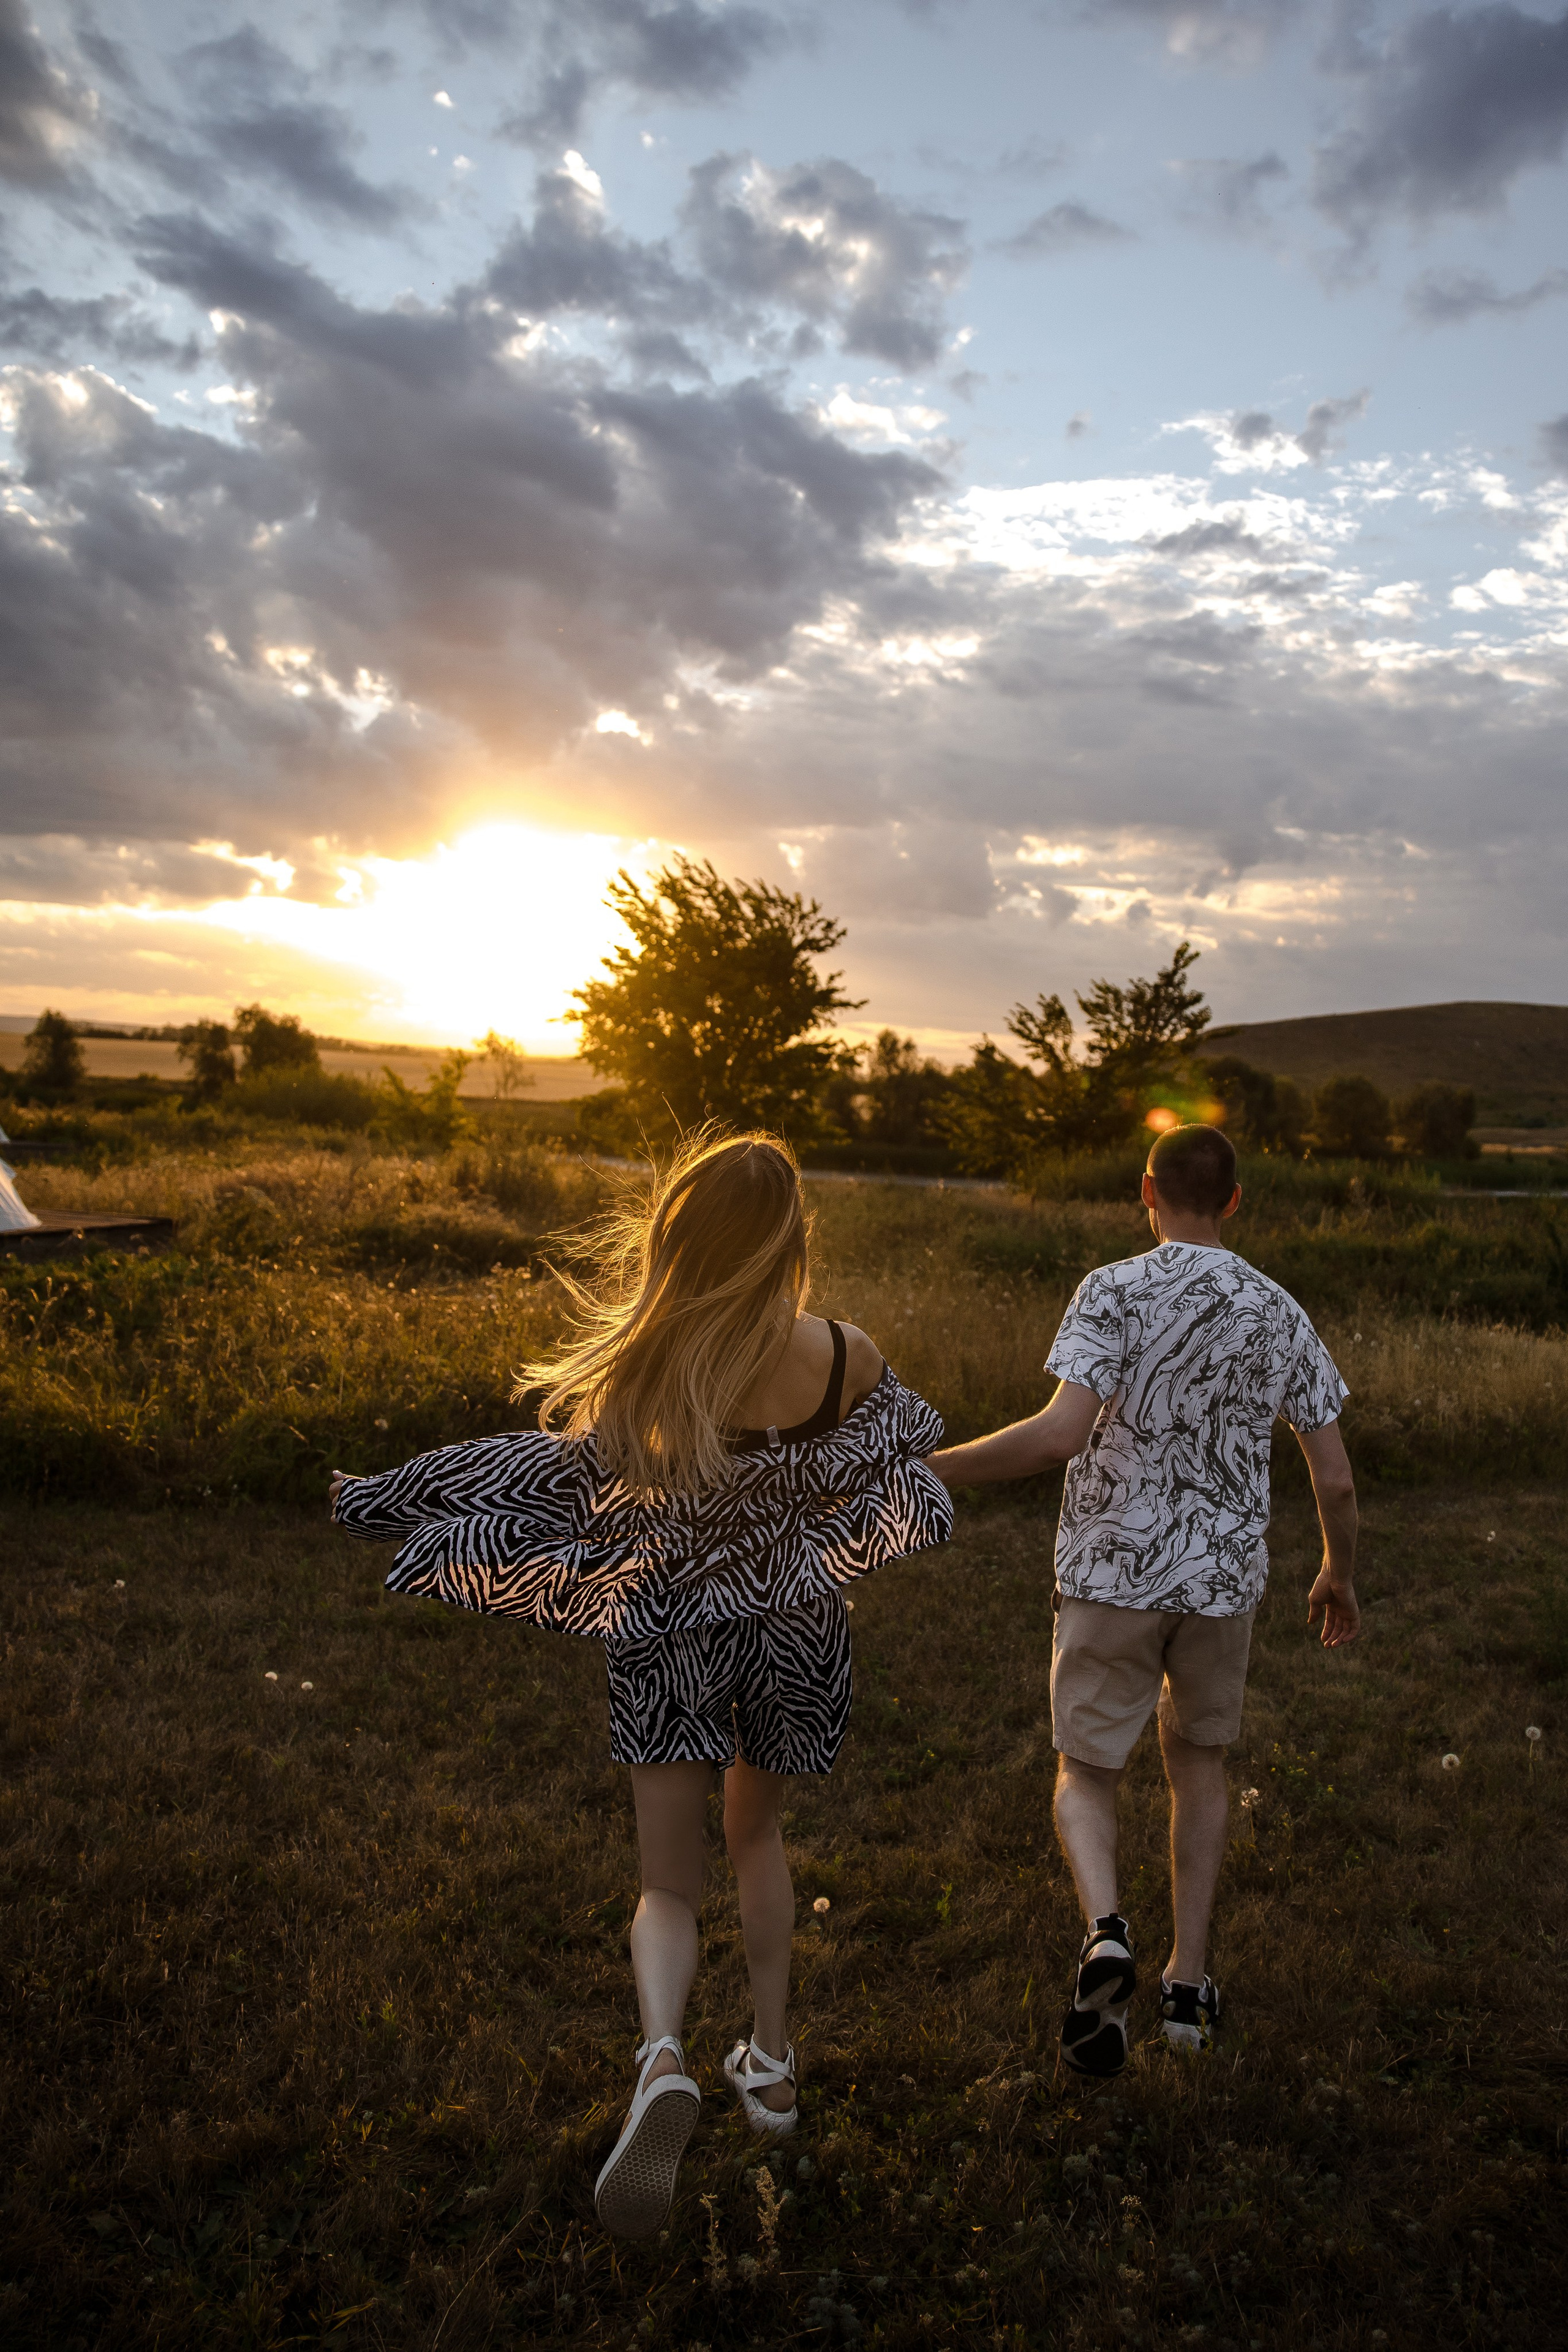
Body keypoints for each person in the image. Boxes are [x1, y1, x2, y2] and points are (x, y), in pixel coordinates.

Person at [330, 1131, 951, 2233]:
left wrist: (395, 1492)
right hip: (796, 1633)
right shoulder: (849, 1353)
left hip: (669, 1627)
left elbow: (552, 1478)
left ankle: (661, 2049)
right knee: (757, 1841)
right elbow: (908, 1459)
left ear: (679, 1236)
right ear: (794, 1238)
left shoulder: (649, 1361)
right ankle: (770, 2064)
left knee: (669, 1880)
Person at [927, 1121, 1357, 2076]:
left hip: (1111, 1573)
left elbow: (1057, 1437)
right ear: (1234, 1200)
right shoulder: (1279, 1308)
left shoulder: (1112, 1289)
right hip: (1219, 1585)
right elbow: (1333, 1477)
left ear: (1147, 1193)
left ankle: (1106, 1930)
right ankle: (1189, 1988)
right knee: (1200, 1767)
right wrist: (1339, 1569)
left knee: (1087, 1769)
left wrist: (934, 1467)